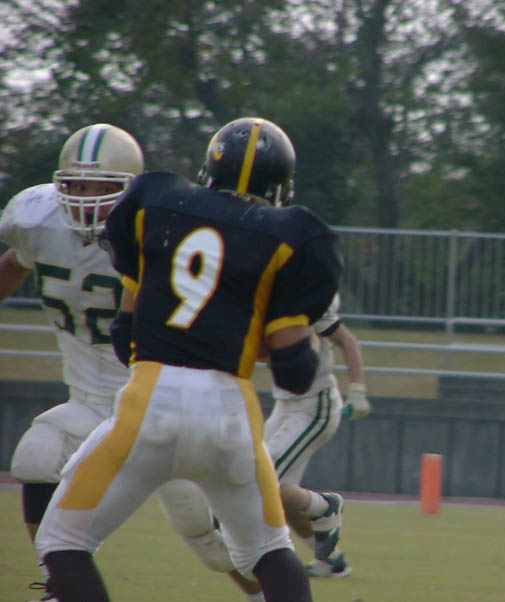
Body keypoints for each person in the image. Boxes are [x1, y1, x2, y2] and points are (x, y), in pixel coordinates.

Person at [33, 116, 341, 602]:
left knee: (63, 542)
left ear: (207, 171)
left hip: (149, 405)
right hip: (231, 416)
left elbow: (125, 335)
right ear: (280, 186)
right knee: (269, 551)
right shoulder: (290, 236)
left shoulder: (155, 204)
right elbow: (295, 372)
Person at [1, 123, 268, 602]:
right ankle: (62, 587)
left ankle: (266, 585)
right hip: (91, 401)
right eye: (76, 186)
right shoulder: (36, 220)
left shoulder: (160, 230)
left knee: (211, 543)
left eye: (100, 188)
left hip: (158, 403)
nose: (86, 200)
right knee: (37, 456)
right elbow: (16, 262)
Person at [265, 291, 372, 579]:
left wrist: (358, 389)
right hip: (286, 405)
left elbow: (347, 341)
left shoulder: (305, 296)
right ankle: (330, 560)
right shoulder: (261, 293)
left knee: (261, 481)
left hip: (314, 407)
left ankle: (326, 507)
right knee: (281, 494)